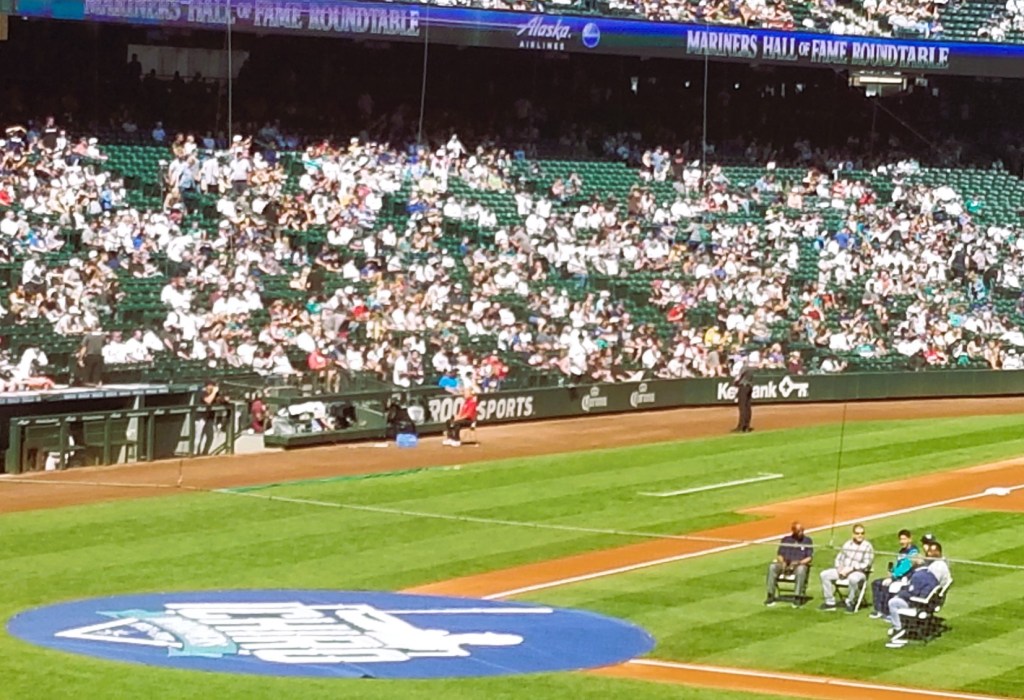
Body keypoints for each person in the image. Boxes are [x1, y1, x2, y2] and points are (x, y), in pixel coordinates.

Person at [886, 541, 952, 648]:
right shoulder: (931, 570)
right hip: (929, 601)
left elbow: (913, 592)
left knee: (893, 602)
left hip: (920, 605)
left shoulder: (922, 574)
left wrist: (901, 593)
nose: (929, 554)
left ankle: (898, 629)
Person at [819, 523, 874, 612]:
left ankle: (851, 602)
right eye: (857, 533)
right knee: (824, 575)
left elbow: (867, 564)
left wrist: (852, 568)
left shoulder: (867, 546)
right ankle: (829, 602)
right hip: (843, 570)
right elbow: (839, 558)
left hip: (859, 572)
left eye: (862, 533)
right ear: (853, 534)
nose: (860, 535)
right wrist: (839, 568)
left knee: (853, 579)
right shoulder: (847, 544)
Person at [869, 529, 920, 619]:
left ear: (910, 539)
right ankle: (879, 610)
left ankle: (886, 612)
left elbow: (906, 567)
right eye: (901, 539)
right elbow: (899, 566)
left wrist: (893, 577)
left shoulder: (913, 552)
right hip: (897, 577)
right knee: (876, 583)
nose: (902, 541)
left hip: (905, 579)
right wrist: (892, 571)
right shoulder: (902, 551)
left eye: (904, 539)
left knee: (885, 585)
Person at [765, 521, 814, 607]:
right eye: (799, 531)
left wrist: (798, 563)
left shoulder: (807, 540)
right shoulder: (786, 540)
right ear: (793, 531)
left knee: (801, 569)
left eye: (802, 530)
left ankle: (797, 596)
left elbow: (809, 558)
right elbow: (780, 554)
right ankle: (770, 595)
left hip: (798, 565)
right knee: (772, 567)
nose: (801, 533)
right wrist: (782, 562)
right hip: (785, 563)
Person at [731, 356, 755, 432]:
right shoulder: (752, 368)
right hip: (749, 387)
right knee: (748, 407)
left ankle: (741, 426)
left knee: (742, 407)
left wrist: (734, 383)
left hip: (743, 387)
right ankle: (747, 426)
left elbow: (738, 378)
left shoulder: (744, 367)